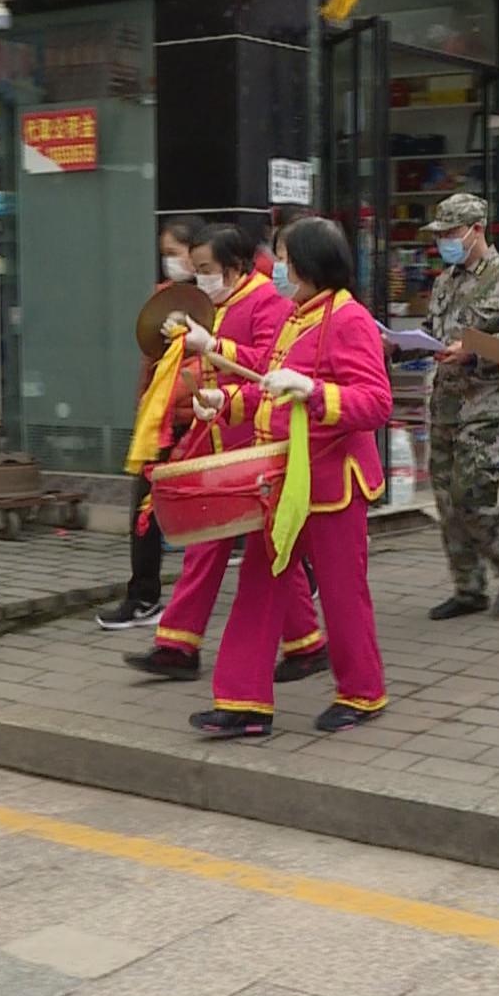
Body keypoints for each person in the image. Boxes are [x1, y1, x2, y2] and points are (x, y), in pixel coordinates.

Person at [189, 218, 392, 737]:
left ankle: (362, 692)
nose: (274, 268)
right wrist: (226, 401)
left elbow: (375, 402)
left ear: (306, 263)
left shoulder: (350, 319)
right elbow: (268, 386)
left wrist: (315, 394)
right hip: (283, 478)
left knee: (344, 594)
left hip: (332, 483)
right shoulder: (297, 317)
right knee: (258, 581)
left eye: (282, 257)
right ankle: (243, 701)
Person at [122, 222, 328, 683]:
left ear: (235, 267)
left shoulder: (267, 304)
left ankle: (185, 646)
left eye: (206, 269)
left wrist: (213, 346)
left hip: (254, 446)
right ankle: (301, 645)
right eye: (195, 270)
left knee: (260, 549)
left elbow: (269, 365)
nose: (200, 278)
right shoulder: (214, 302)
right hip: (218, 442)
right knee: (244, 548)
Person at [422, 193, 499, 622]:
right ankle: (468, 587)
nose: (445, 242)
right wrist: (402, 345)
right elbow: (433, 330)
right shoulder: (445, 281)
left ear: (477, 230)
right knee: (446, 500)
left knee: (471, 494)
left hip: (488, 402)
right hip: (446, 401)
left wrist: (473, 352)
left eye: (452, 233)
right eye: (441, 235)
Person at [96, 216, 204, 632]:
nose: (169, 263)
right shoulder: (162, 299)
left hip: (204, 418)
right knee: (145, 508)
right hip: (162, 422)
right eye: (165, 255)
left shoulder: (218, 301)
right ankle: (143, 597)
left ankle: (300, 577)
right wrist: (146, 407)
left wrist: (174, 392)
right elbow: (150, 359)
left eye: (174, 253)